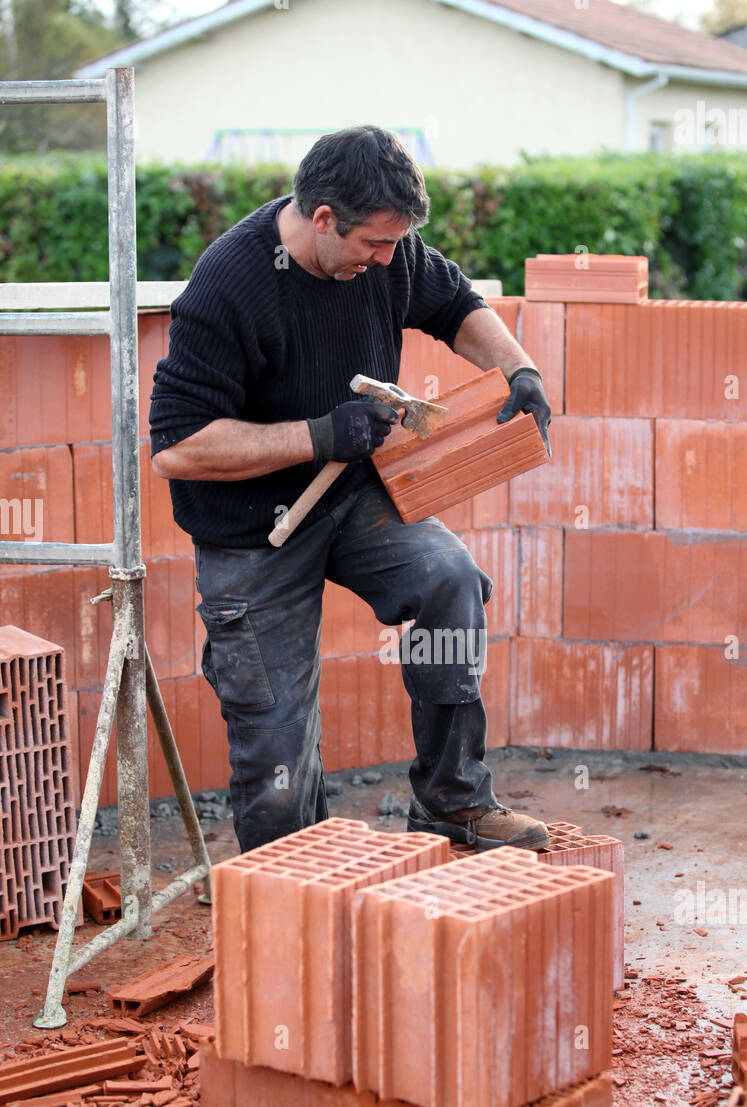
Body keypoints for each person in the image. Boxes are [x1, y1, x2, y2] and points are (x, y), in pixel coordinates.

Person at [149, 125, 552, 855]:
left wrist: (521, 371)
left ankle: (452, 800)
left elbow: (454, 303)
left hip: (350, 500)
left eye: (397, 243)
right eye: (375, 243)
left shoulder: (386, 259)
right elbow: (177, 448)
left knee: (448, 580)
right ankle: (292, 882)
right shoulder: (231, 284)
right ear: (323, 218)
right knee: (277, 771)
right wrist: (319, 435)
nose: (388, 260)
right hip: (251, 534)